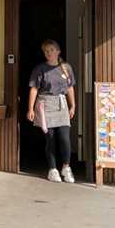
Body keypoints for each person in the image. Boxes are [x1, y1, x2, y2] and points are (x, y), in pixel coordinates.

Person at [27, 39, 76, 183]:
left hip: (61, 104)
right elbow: (34, 88)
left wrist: (72, 105)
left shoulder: (66, 68)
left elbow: (70, 88)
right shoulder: (39, 69)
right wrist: (30, 109)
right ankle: (52, 169)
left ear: (58, 51)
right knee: (51, 139)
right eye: (46, 51)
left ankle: (66, 167)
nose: (49, 53)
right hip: (45, 104)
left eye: (51, 50)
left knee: (65, 138)